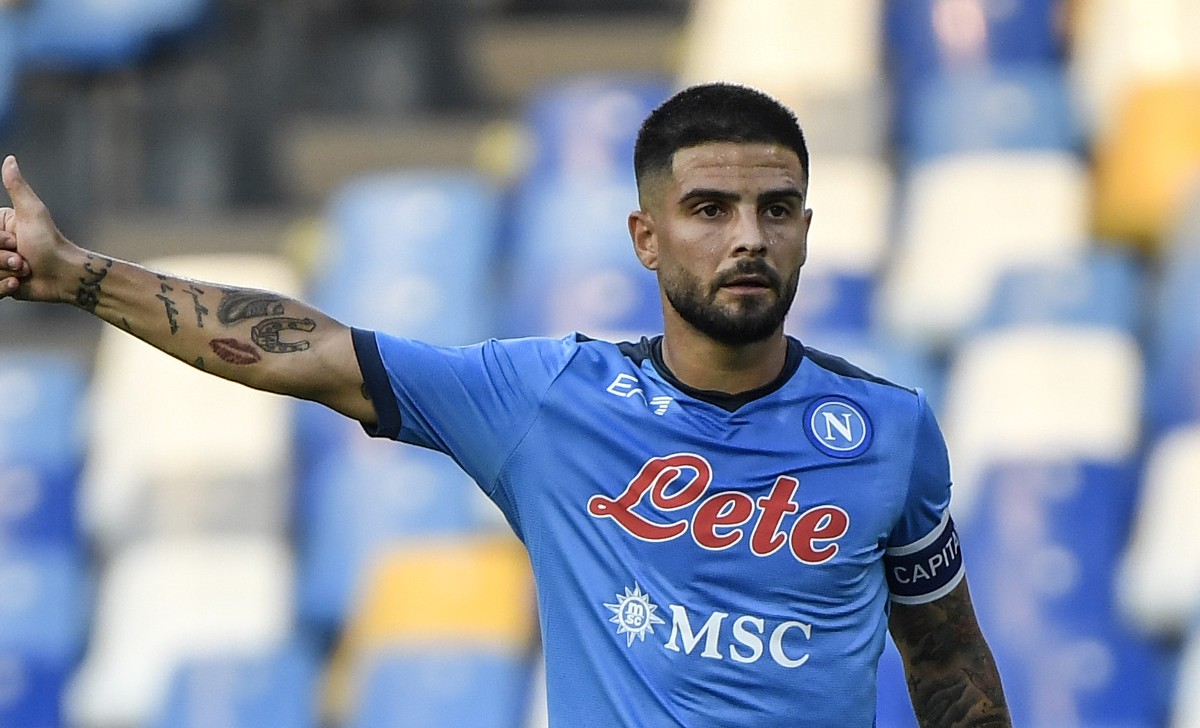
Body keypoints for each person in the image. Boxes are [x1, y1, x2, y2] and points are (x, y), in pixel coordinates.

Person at [0, 83, 1010, 727]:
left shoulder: (890, 430)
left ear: (805, 230)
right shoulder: (548, 399)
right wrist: (79, 274)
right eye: (709, 209)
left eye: (775, 209)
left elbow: (947, 658)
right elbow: (304, 347)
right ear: (645, 236)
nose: (748, 236)